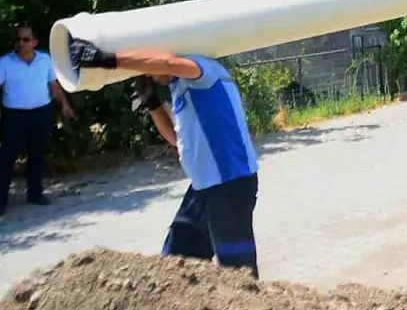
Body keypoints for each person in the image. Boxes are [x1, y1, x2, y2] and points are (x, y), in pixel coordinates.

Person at [68, 39, 260, 278]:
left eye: (148, 65)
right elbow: (175, 139)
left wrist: (108, 59)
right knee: (175, 262)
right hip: (204, 187)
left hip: (230, 186)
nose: (146, 73)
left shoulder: (203, 69)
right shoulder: (181, 87)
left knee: (238, 274)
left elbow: (167, 62)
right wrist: (153, 104)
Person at [0, 25, 76, 219]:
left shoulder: (44, 60)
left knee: (37, 154)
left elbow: (53, 85)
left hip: (41, 113)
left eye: (26, 40)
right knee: (6, 158)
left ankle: (35, 193)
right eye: (18, 40)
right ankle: (1, 200)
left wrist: (64, 105)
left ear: (34, 42)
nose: (21, 44)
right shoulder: (5, 63)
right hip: (15, 116)